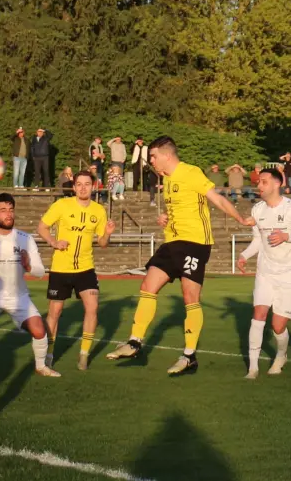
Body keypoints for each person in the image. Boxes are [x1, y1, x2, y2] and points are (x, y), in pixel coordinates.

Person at [105, 136, 255, 374]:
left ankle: (189, 356)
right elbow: (178, 208)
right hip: (172, 242)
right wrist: (164, 218)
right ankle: (134, 342)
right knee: (147, 286)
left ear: (166, 155)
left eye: (153, 156)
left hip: (195, 243)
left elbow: (216, 199)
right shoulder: (167, 179)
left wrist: (239, 218)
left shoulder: (191, 172)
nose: (151, 161)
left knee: (189, 296)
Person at [0, 193, 58, 379]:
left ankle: (41, 366)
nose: (8, 214)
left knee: (39, 330)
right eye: (3, 211)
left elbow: (40, 272)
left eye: (11, 210)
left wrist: (28, 266)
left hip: (19, 297)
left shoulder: (25, 239)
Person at [36, 172, 116, 371]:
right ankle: (49, 354)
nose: (82, 188)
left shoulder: (98, 210)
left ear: (93, 187)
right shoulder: (61, 206)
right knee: (55, 311)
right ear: (73, 187)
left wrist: (106, 233)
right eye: (79, 184)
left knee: (92, 307)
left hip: (85, 268)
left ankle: (84, 354)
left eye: (87, 184)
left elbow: (103, 243)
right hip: (61, 268)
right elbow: (42, 227)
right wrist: (54, 242)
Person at [235, 169, 291, 378]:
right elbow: (258, 240)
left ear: (278, 184)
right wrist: (244, 255)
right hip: (266, 271)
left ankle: (281, 354)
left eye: (264, 182)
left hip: (290, 273)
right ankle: (253, 368)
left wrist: (286, 235)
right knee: (258, 316)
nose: (260, 186)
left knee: (278, 326)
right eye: (259, 182)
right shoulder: (258, 210)